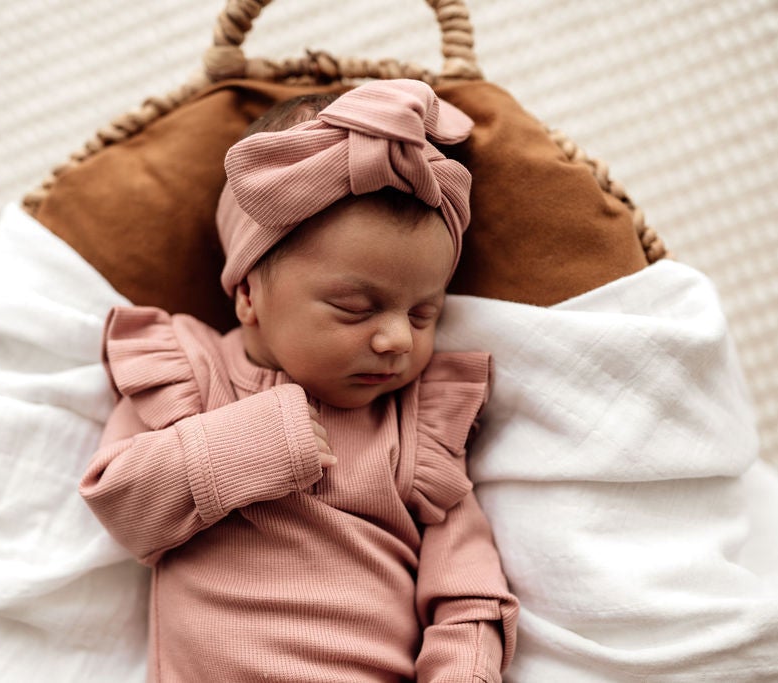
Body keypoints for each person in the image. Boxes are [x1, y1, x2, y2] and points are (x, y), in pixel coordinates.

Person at [79, 79, 519, 682]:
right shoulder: (188, 373)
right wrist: (251, 441)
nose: (397, 339)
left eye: (424, 314)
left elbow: (468, 588)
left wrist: (464, 670)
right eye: (355, 308)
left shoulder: (416, 428)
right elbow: (123, 504)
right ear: (248, 295)